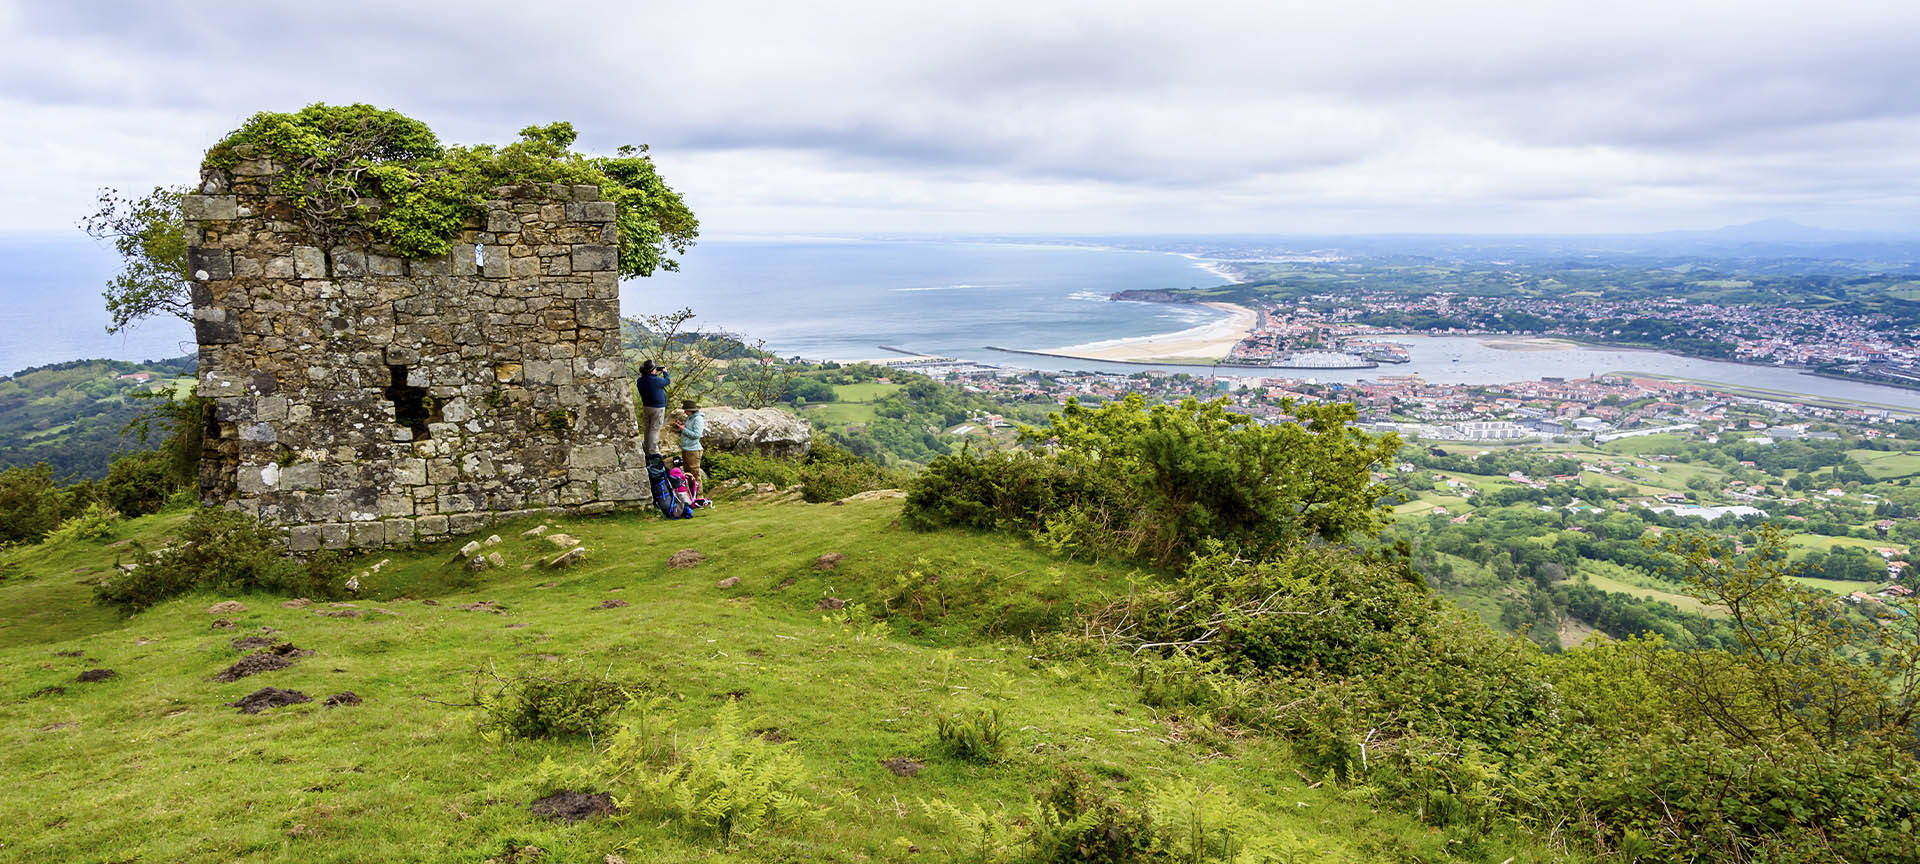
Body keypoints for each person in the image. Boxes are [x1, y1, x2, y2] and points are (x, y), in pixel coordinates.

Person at [637, 359, 669, 456]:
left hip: (647, 406)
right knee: (655, 429)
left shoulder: (640, 380)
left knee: (648, 427)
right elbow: (667, 381)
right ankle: (653, 451)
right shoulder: (656, 380)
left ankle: (646, 447)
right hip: (657, 408)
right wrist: (665, 372)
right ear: (652, 371)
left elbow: (650, 377)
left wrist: (655, 370)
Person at [674, 399, 706, 488]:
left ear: (691, 410)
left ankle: (699, 496)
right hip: (686, 449)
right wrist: (682, 426)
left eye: (686, 410)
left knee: (695, 475)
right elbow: (689, 429)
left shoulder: (698, 419)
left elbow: (696, 435)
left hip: (694, 450)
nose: (684, 412)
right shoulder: (690, 418)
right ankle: (691, 494)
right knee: (688, 474)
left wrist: (683, 429)